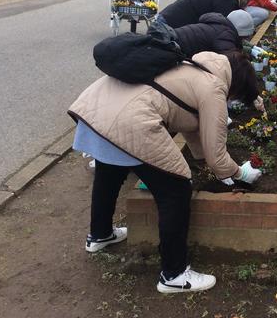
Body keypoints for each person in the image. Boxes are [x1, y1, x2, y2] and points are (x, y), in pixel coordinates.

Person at [68, 51, 263, 293]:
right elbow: (217, 157)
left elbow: (192, 126)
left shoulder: (191, 65)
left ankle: (100, 235)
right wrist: (240, 174)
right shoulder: (214, 89)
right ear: (237, 87)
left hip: (97, 108)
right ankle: (174, 274)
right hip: (129, 120)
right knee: (176, 188)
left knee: (110, 171)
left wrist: (204, 161)